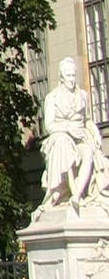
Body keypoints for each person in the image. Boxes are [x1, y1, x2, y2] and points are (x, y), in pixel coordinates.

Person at [42, 57, 103, 211]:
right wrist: (68, 128)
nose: (71, 79)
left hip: (80, 137)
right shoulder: (52, 98)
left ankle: (77, 195)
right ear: (61, 77)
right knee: (64, 146)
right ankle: (71, 191)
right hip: (60, 136)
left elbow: (87, 120)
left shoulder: (82, 95)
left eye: (73, 75)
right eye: (68, 75)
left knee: (88, 153)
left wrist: (94, 130)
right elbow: (49, 126)